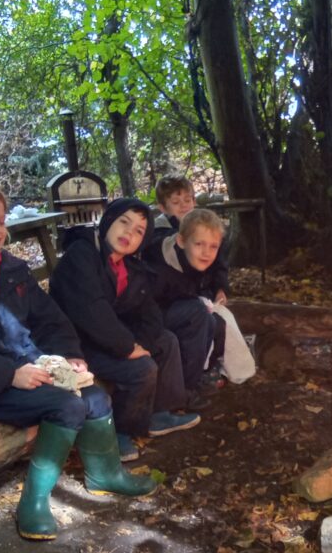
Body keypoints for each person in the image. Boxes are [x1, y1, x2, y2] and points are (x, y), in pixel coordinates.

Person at [0, 180, 157, 543]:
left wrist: (70, 357)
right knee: (68, 406)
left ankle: (104, 473)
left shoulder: (11, 268)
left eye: (1, 221)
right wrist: (10, 375)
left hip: (32, 365)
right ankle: (34, 502)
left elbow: (51, 319)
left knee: (94, 396)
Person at [49, 197, 200, 463]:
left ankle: (158, 413)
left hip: (106, 338)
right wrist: (128, 347)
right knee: (142, 369)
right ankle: (119, 430)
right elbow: (91, 311)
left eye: (139, 231)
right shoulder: (82, 254)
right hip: (75, 344)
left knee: (165, 340)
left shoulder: (129, 266)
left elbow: (150, 312)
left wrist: (141, 343)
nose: (129, 233)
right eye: (124, 222)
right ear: (108, 221)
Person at [144, 208, 229, 397]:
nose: (206, 252)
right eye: (199, 244)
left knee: (214, 322)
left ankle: (198, 377)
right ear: (181, 241)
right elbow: (146, 304)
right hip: (151, 318)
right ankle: (185, 390)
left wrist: (219, 290)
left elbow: (217, 272)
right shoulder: (161, 265)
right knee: (198, 315)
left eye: (213, 247)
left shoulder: (199, 259)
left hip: (180, 307)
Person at [153, 174, 229, 306]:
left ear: (194, 202)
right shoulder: (158, 234)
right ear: (163, 208)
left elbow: (219, 264)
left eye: (187, 200)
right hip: (173, 302)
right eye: (176, 202)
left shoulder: (207, 227)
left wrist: (220, 288)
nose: (183, 206)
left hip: (206, 297)